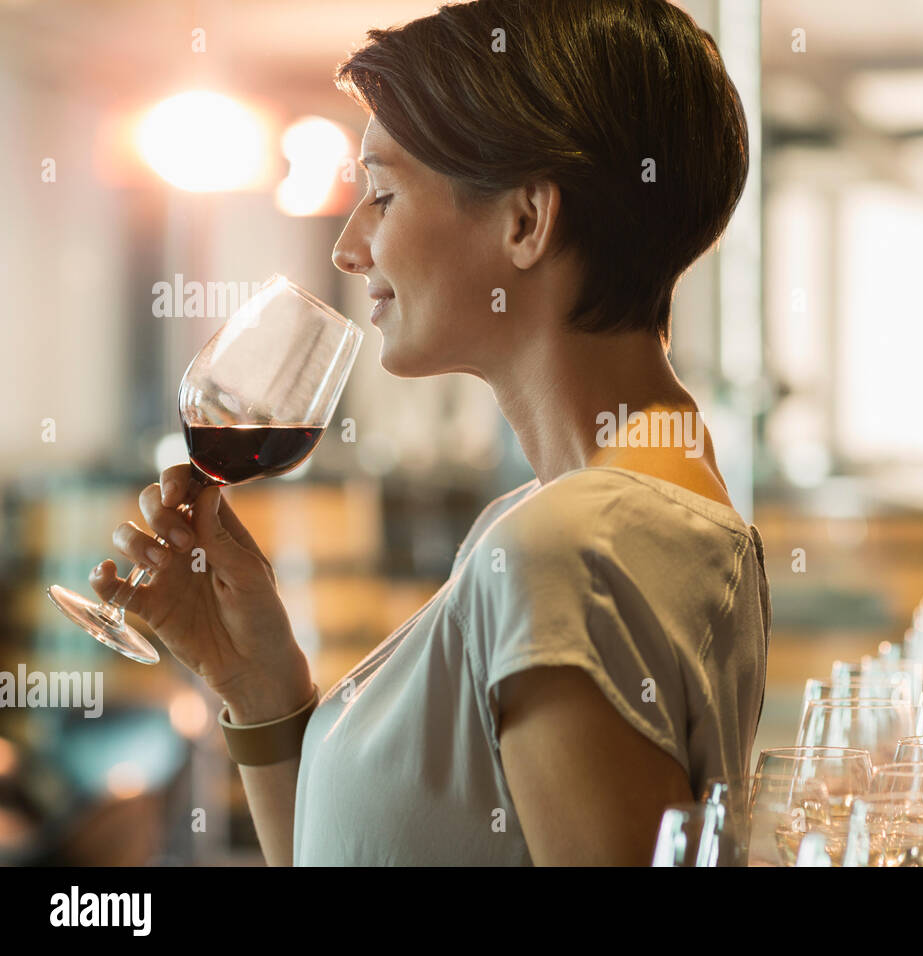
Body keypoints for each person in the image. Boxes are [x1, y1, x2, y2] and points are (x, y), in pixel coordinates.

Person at [89, 0, 768, 865]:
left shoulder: (568, 545)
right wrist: (256, 683)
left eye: (382, 192)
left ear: (525, 221)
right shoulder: (607, 509)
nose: (347, 247)